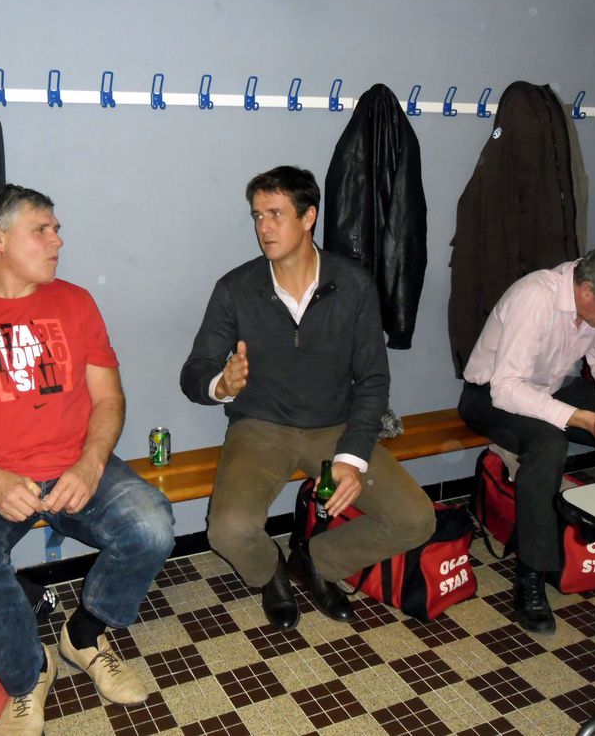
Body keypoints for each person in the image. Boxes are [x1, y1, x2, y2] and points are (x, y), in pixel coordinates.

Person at [0, 184, 174, 735]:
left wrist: (90, 464)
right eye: (42, 230)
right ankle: (28, 676)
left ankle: (84, 637)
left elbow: (109, 399)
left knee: (152, 525)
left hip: (75, 463)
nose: (58, 240)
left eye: (56, 229)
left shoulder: (76, 303)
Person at [180, 165, 436, 632]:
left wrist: (353, 456)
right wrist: (222, 384)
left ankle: (316, 561)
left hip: (335, 426)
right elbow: (193, 373)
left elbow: (374, 380)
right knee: (229, 529)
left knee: (416, 519)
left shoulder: (353, 284)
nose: (264, 228)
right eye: (257, 216)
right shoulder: (236, 289)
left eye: (276, 214)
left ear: (309, 217)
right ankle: (270, 571)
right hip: (261, 426)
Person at [458, 243, 595, 634]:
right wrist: (584, 420)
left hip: (551, 387)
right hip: (489, 396)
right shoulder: (535, 297)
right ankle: (532, 576)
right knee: (549, 445)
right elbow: (507, 389)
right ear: (588, 290)